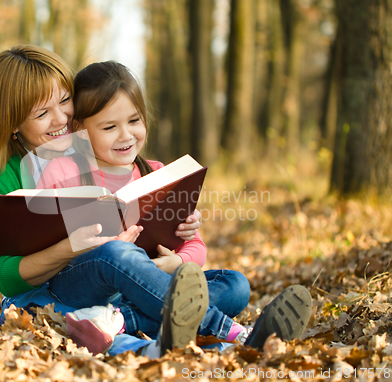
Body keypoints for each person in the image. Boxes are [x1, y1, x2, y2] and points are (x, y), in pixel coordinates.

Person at [35, 60, 312, 351]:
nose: (126, 135)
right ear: (79, 128)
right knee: (117, 252)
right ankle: (233, 333)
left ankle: (115, 320)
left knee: (236, 284)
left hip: (145, 290)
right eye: (109, 127)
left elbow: (197, 248)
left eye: (134, 121)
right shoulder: (62, 172)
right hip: (83, 284)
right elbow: (45, 249)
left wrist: (176, 261)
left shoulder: (156, 174)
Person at [0, 45, 204, 355]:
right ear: (13, 122)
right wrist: (72, 246)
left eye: (65, 100)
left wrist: (180, 225)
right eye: (42, 113)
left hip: (118, 287)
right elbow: (6, 278)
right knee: (117, 261)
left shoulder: (92, 142)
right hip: (52, 292)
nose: (62, 118)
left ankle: (115, 326)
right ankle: (219, 328)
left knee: (232, 286)